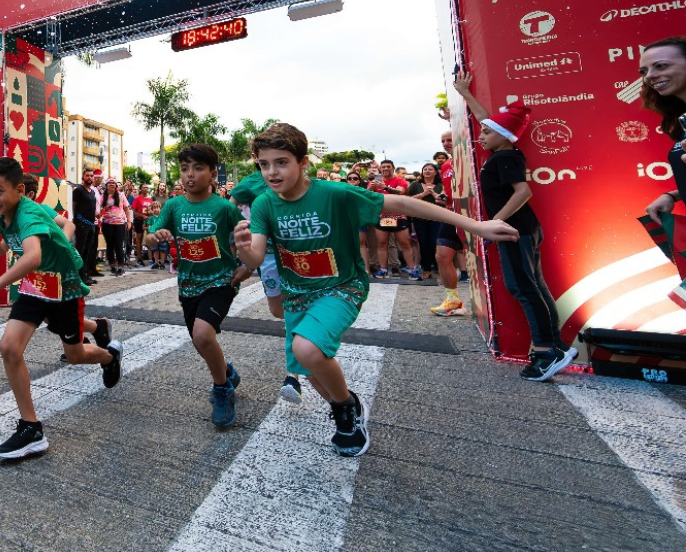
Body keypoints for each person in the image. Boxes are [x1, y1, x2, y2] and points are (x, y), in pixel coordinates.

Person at [235, 123, 517, 456]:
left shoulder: (336, 194)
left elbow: (405, 205)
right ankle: (347, 409)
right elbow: (255, 255)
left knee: (307, 351)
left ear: (303, 163)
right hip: (297, 295)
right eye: (264, 164)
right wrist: (243, 249)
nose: (272, 172)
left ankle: (345, 410)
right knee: (310, 370)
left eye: (281, 162)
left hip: (342, 288)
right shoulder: (266, 205)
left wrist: (475, 225)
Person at [0, 157, 122, 459]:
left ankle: (109, 355)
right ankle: (31, 429)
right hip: (35, 287)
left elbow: (33, 256)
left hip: (64, 288)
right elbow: (18, 251)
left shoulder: (29, 214)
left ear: (19, 190)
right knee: (9, 347)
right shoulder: (3, 218)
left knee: (75, 355)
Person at [454, 74, 578, 380]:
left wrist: (495, 223)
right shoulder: (504, 150)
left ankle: (547, 352)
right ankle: (555, 347)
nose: (479, 135)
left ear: (502, 134)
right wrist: (465, 93)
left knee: (523, 288)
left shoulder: (505, 156)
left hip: (515, 232)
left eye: (485, 132)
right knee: (534, 286)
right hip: (524, 229)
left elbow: (524, 192)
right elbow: (490, 121)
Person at [146, 144, 251, 428]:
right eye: (184, 169)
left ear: (213, 173)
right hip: (188, 284)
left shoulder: (224, 208)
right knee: (199, 340)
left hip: (220, 281)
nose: (189, 175)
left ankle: (222, 389)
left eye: (198, 168)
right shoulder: (173, 205)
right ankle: (226, 372)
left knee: (203, 336)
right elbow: (148, 237)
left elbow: (249, 237)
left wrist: (247, 266)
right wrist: (155, 237)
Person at [230, 171, 303, 404]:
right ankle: (300, 334)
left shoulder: (299, 179)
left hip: (294, 253)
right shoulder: (251, 182)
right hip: (267, 256)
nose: (272, 168)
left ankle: (293, 376)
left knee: (293, 311)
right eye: (263, 160)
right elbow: (229, 209)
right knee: (277, 311)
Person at [640, 38, 686, 218]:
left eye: (661, 66)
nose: (649, 76)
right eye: (644, 71)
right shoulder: (681, 117)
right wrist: (673, 196)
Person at [432, 131, 469, 316]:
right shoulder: (445, 164)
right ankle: (453, 300)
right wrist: (444, 198)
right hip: (452, 215)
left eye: (449, 140)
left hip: (472, 215)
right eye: (443, 140)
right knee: (442, 256)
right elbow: (451, 193)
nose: (446, 143)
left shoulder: (471, 157)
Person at [367, 160, 422, 280]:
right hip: (382, 216)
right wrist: (371, 188)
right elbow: (368, 198)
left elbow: (400, 192)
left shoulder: (400, 180)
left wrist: (385, 187)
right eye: (383, 167)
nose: (386, 169)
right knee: (382, 244)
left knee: (405, 244)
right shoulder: (375, 181)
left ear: (393, 168)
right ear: (380, 169)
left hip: (399, 216)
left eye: (388, 167)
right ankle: (383, 270)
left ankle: (412, 270)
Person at [407, 162, 446, 277]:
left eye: (430, 169)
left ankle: (438, 267)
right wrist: (423, 194)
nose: (427, 171)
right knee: (423, 243)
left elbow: (444, 200)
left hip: (437, 217)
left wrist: (433, 193)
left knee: (435, 242)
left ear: (435, 172)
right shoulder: (415, 184)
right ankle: (426, 269)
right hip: (419, 218)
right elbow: (408, 199)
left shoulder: (441, 185)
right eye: (425, 169)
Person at [71, 170, 100, 283]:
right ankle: (78, 277)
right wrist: (75, 221)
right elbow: (74, 206)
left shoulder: (92, 192)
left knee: (88, 252)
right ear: (83, 177)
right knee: (80, 251)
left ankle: (85, 276)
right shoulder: (78, 190)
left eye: (91, 176)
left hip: (91, 225)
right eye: (87, 175)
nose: (89, 177)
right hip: (81, 225)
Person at [98, 178, 131, 277]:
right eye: (109, 183)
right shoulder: (103, 196)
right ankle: (112, 265)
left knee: (119, 245)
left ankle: (121, 266)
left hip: (120, 223)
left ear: (116, 185)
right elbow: (99, 210)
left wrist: (129, 221)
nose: (112, 184)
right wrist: (104, 208)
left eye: (113, 183)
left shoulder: (121, 195)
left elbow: (126, 208)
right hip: (107, 223)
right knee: (110, 245)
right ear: (106, 185)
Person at [131, 184, 153, 264]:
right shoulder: (137, 198)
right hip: (139, 220)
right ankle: (139, 258)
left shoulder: (151, 199)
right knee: (139, 239)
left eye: (147, 187)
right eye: (144, 187)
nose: (146, 188)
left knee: (150, 239)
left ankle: (151, 258)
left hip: (149, 221)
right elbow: (133, 211)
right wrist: (142, 216)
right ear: (141, 189)